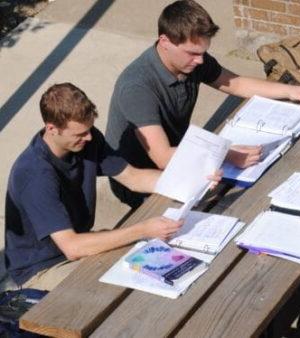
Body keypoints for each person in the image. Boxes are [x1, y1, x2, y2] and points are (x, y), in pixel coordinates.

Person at [106, 0, 300, 208]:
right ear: (164, 42)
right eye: (193, 53)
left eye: (203, 52)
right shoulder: (137, 88)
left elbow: (235, 84)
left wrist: (290, 91)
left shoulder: (191, 61)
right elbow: (162, 157)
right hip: (140, 177)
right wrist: (227, 153)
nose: (200, 61)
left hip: (180, 153)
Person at [3, 83, 213, 291]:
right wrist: (142, 230)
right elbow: (72, 247)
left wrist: (194, 181)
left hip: (78, 246)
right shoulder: (34, 175)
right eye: (80, 134)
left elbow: (133, 177)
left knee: (164, 260)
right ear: (52, 129)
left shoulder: (87, 140)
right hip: (43, 269)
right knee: (131, 284)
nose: (89, 137)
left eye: (89, 129)